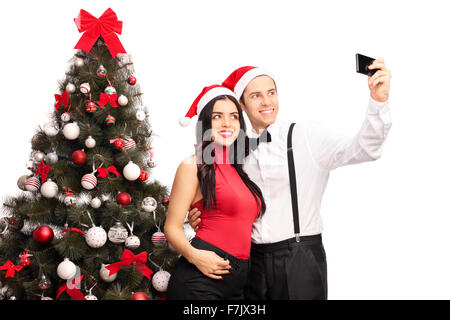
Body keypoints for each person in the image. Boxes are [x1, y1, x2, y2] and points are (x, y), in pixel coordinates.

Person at [188, 61, 392, 299]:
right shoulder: (231, 147)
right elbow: (219, 197)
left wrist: (378, 102)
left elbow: (365, 148)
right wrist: (201, 215)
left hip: (299, 259)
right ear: (241, 104)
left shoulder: (306, 135)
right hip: (250, 262)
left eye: (271, 93)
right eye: (256, 96)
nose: (267, 102)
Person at [165, 84, 266, 300]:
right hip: (199, 282)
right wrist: (194, 256)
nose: (227, 123)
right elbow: (171, 227)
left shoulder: (240, 171)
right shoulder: (193, 165)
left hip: (238, 283)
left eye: (234, 116)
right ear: (205, 124)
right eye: (217, 116)